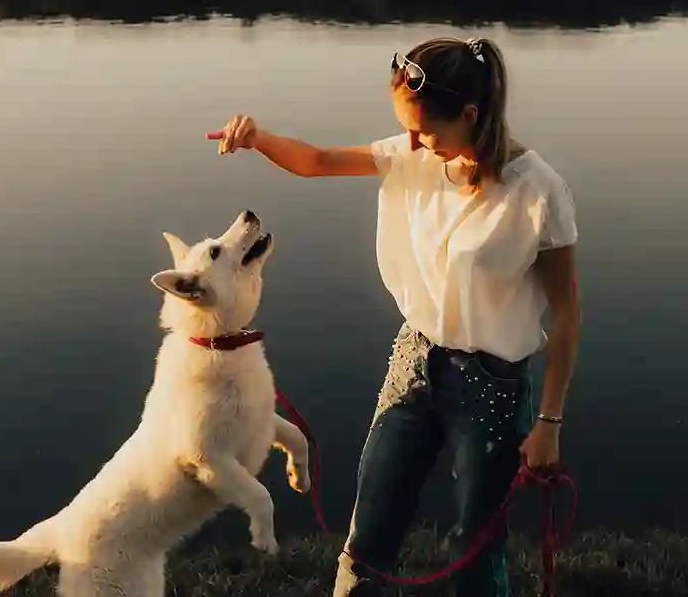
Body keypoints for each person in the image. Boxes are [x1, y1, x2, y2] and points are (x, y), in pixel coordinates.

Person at [208, 36, 581, 597]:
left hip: (493, 387)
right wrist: (257, 138)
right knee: (370, 527)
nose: (410, 140)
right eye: (405, 126)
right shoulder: (416, 154)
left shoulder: (538, 193)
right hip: (415, 360)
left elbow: (569, 313)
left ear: (471, 116)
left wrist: (549, 424)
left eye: (424, 129)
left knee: (475, 546)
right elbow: (316, 161)